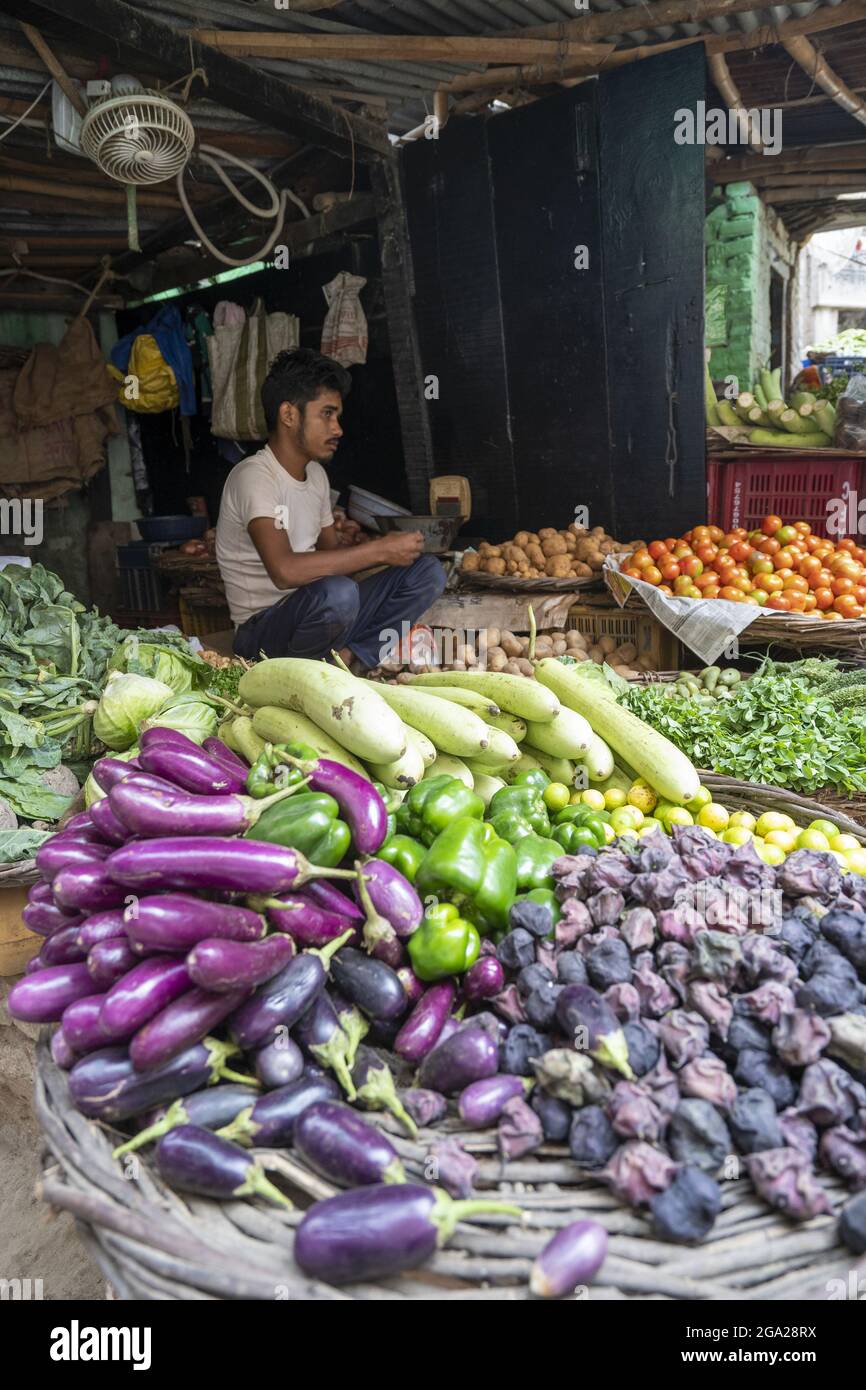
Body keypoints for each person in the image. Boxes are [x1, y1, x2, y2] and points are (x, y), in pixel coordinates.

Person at [216, 348, 446, 668]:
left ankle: (352, 657)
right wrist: (378, 551)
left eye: (337, 416)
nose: (337, 428)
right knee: (338, 594)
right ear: (288, 415)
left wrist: (371, 547)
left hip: (321, 615)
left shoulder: (317, 477)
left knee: (427, 572)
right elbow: (284, 571)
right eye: (326, 414)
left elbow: (336, 560)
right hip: (261, 631)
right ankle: (309, 674)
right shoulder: (255, 476)